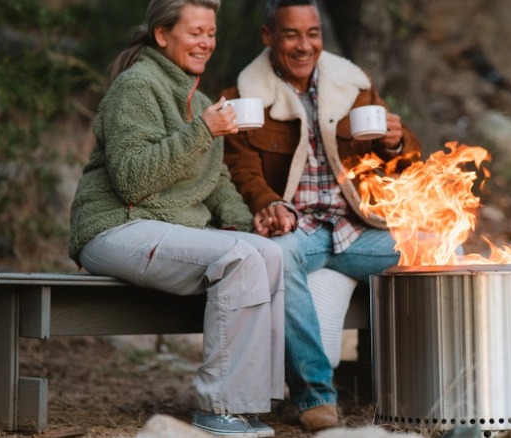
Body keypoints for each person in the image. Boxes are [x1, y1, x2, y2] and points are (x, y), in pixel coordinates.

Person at [67, 1, 284, 436]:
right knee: (240, 259)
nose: (206, 43)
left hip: (165, 229)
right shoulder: (137, 86)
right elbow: (132, 180)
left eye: (211, 33)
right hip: (115, 225)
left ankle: (250, 402)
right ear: (163, 35)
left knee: (268, 253)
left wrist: (250, 222)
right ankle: (218, 406)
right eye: (195, 32)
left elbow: (216, 183)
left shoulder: (200, 102)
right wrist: (202, 131)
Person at [221, 0, 422, 431]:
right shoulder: (241, 98)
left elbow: (403, 162)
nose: (304, 45)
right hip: (300, 231)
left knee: (436, 248)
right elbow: (241, 170)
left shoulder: (353, 86)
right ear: (268, 36)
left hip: (357, 228)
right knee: (277, 255)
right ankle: (315, 396)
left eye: (312, 33)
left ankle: (426, 384)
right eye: (291, 34)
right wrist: (269, 204)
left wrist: (396, 142)